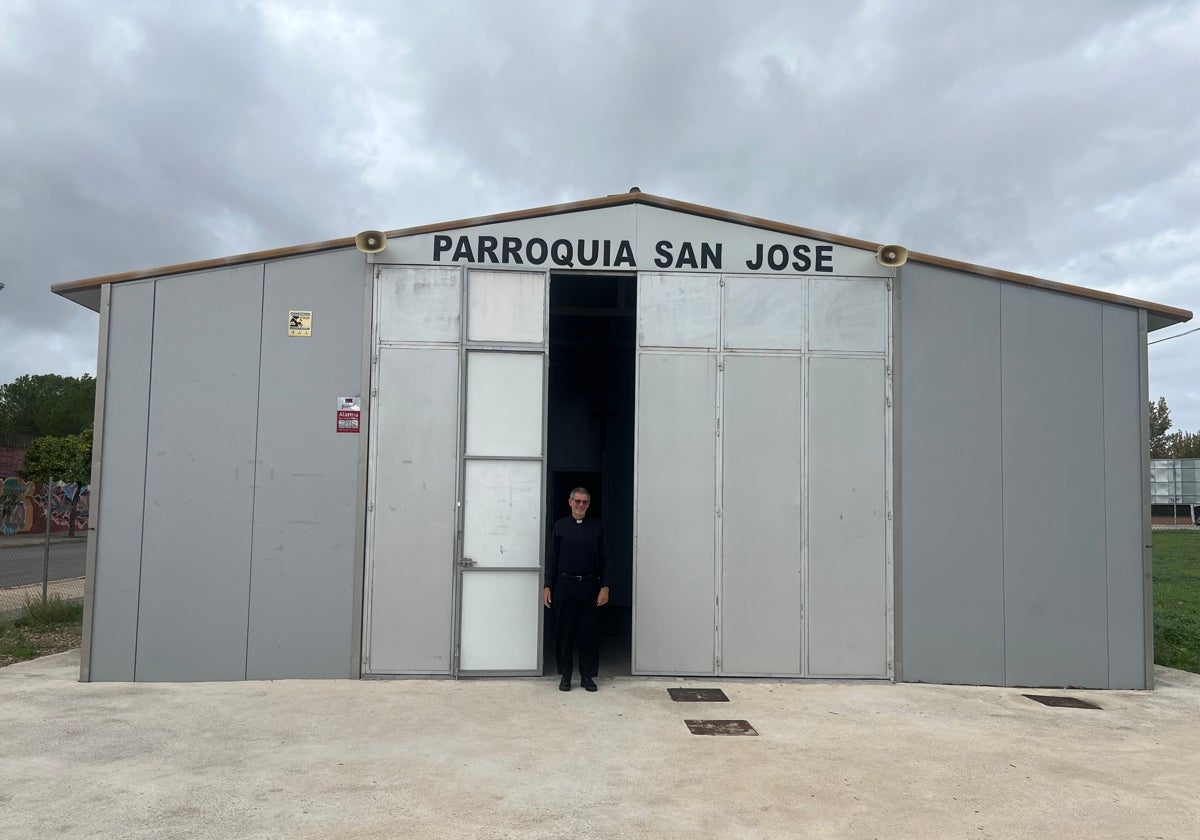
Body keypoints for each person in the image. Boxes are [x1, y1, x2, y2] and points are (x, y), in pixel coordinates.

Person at [543, 487, 609, 692]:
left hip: (590, 585)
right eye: (577, 501)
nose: (581, 505)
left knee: (588, 632)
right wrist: (547, 585)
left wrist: (605, 586)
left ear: (589, 504)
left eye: (585, 502)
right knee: (564, 631)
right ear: (570, 502)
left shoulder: (597, 527)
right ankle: (565, 675)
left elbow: (605, 560)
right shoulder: (560, 526)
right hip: (564, 585)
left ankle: (587, 676)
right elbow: (552, 558)